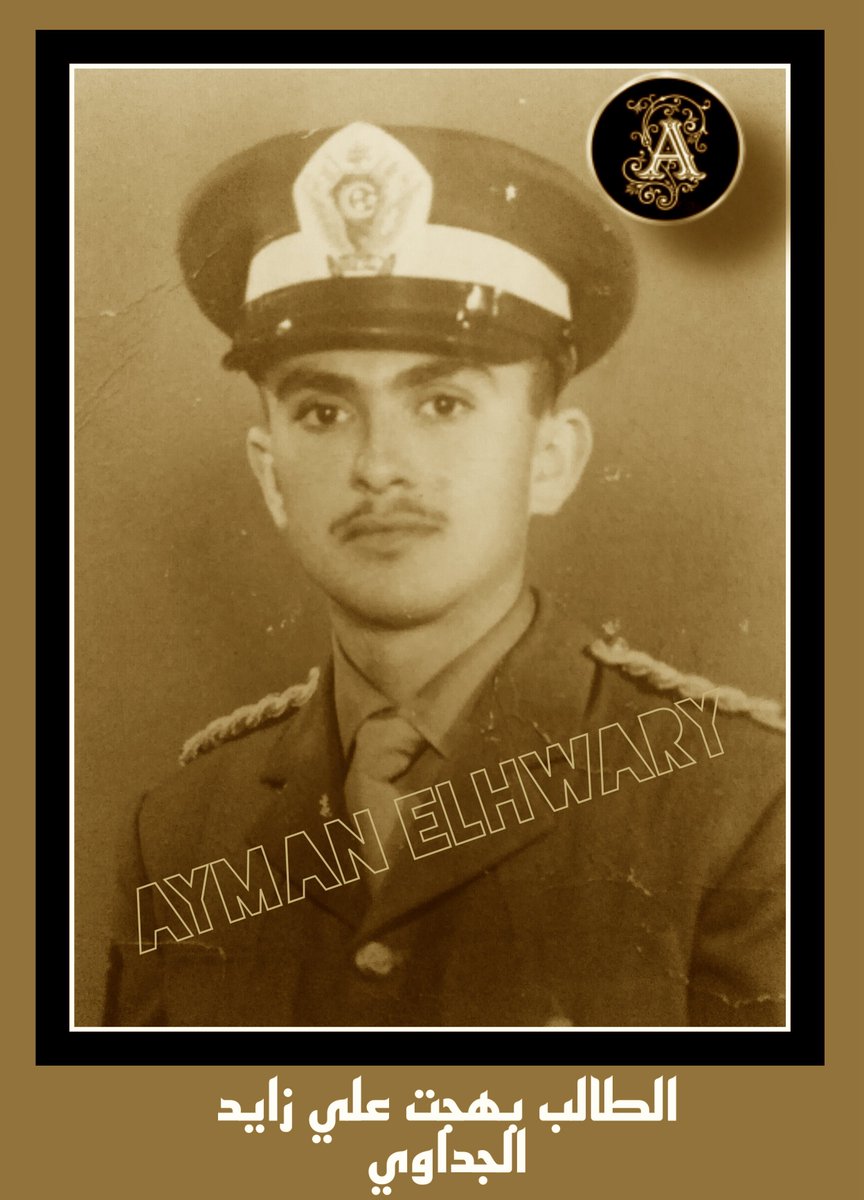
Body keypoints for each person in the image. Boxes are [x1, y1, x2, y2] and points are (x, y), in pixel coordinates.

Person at [104, 122, 785, 1028]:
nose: (380, 466)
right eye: (322, 411)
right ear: (270, 476)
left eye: (443, 402)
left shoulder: (745, 803)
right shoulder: (183, 831)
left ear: (550, 460)